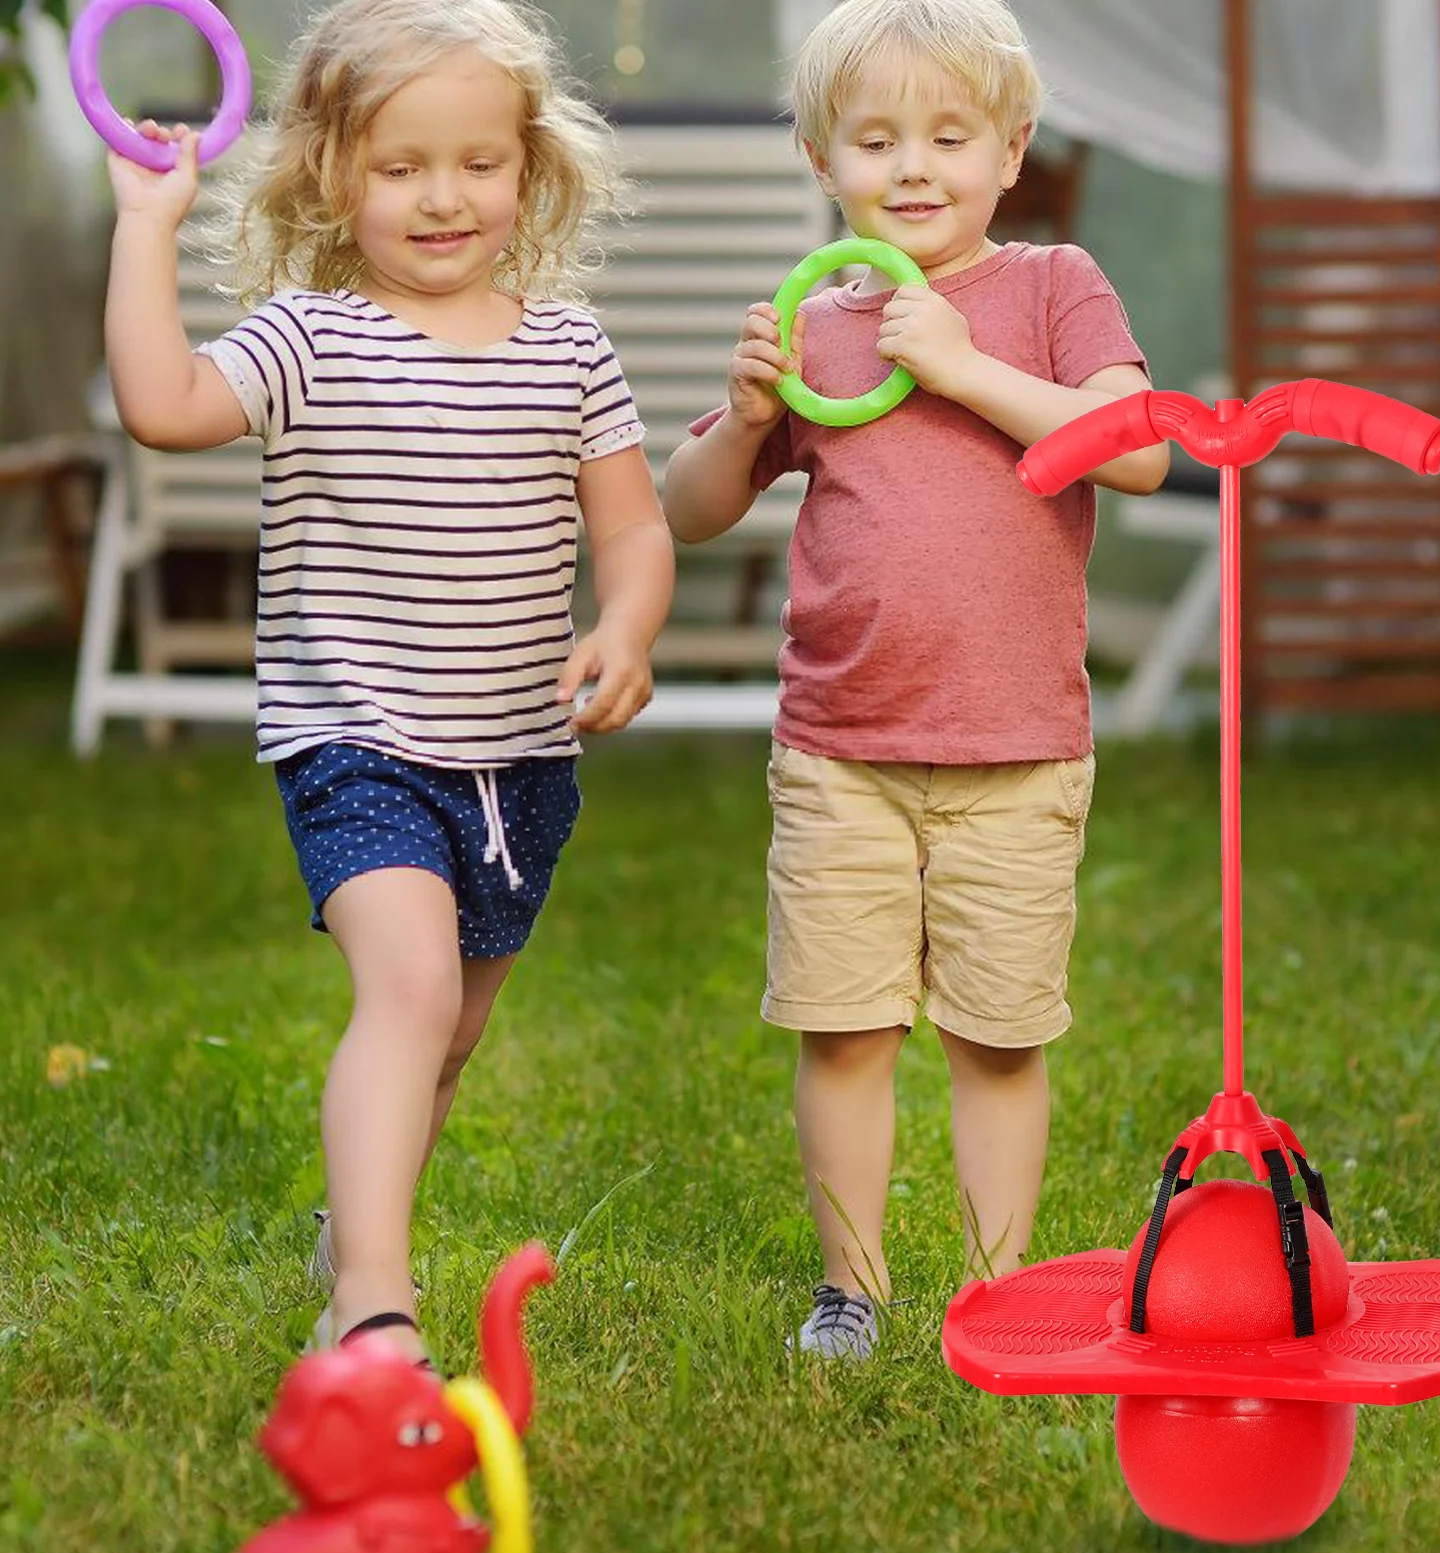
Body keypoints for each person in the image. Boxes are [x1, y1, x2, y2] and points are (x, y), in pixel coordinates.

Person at [103, 0, 674, 1368]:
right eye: (400, 165)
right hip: (353, 738)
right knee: (409, 991)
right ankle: (372, 1300)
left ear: (527, 171)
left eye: (477, 162)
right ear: (331, 174)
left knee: (452, 1036)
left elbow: (636, 528)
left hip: (519, 761)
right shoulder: (307, 337)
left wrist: (631, 627)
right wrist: (146, 226)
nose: (441, 196)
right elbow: (164, 405)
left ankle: (357, 1219)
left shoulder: (568, 351)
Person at [662, 0, 1167, 1360]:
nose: (915, 167)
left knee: (1000, 1037)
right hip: (844, 751)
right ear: (826, 161)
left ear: (1012, 150)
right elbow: (688, 508)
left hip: (1017, 751)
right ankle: (855, 1288)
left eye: (951, 135)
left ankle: (1000, 1293)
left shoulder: (1055, 286)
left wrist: (961, 365)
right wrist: (752, 421)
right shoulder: (818, 319)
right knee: (845, 1027)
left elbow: (1135, 448)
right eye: (876, 139)